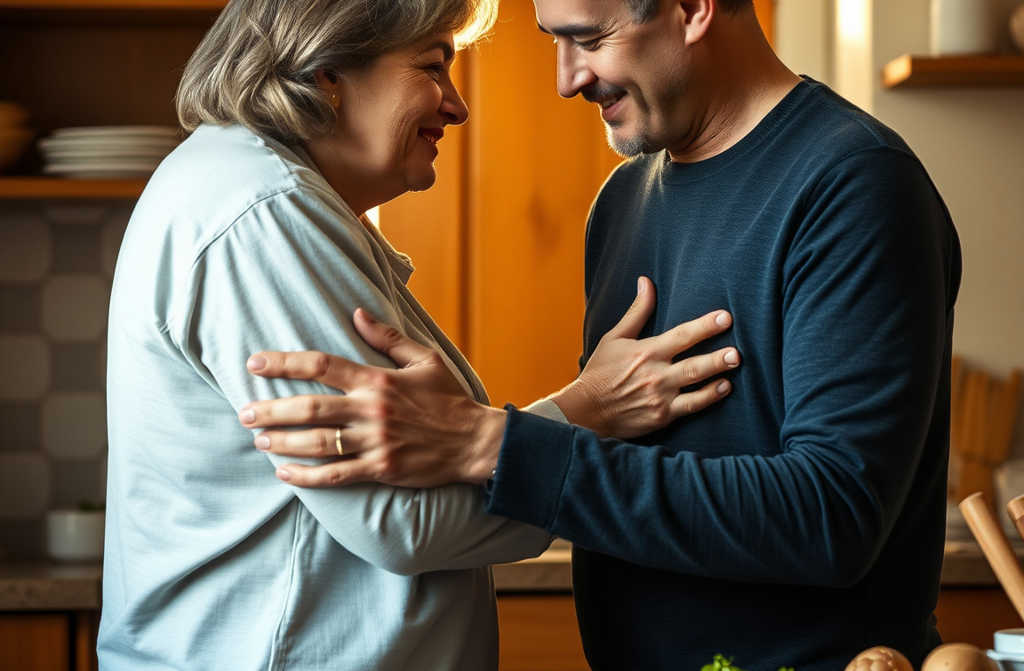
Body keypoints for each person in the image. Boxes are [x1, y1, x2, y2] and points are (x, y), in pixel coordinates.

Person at [240, 0, 963, 669]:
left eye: (588, 39)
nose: (567, 80)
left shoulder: (854, 183)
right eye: (555, 41)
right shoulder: (623, 199)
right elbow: (618, 476)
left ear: (693, 9)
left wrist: (494, 444)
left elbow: (832, 516)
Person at [98, 0, 742, 669]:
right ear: (327, 70)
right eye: (433, 66)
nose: (457, 107)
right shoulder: (263, 211)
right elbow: (402, 521)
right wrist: (594, 407)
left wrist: (501, 436)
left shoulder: (261, 194)